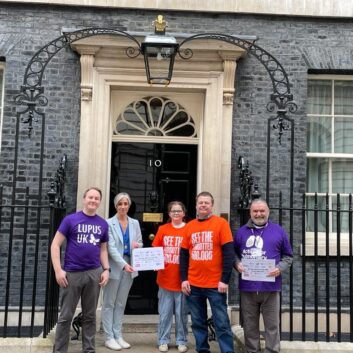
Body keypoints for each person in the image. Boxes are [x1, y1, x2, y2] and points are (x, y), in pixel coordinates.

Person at [51, 186, 110, 353]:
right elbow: (55, 245)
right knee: (65, 316)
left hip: (94, 273)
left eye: (96, 198)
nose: (93, 200)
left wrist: (106, 269)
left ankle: (89, 350)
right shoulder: (70, 220)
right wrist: (58, 270)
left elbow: (103, 249)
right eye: (90, 197)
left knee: (90, 316)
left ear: (99, 202)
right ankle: (60, 350)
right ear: (84, 199)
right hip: (72, 273)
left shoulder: (102, 224)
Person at [233, 198, 293, 353]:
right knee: (249, 324)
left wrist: (279, 268)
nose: (259, 214)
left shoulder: (279, 231)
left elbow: (288, 256)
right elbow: (232, 254)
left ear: (268, 212)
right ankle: (252, 350)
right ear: (250, 212)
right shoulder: (241, 232)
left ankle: (272, 350)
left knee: (272, 325)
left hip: (270, 287)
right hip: (248, 287)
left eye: (262, 211)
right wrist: (237, 263)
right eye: (255, 211)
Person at [180, 191, 235, 353]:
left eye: (207, 203)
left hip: (215, 285)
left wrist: (225, 280)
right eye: (200, 202)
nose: (203, 205)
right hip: (193, 285)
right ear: (196, 205)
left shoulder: (221, 224)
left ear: (212, 205)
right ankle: (202, 349)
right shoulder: (189, 226)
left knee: (222, 323)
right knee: (198, 322)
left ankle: (227, 351)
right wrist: (184, 279)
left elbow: (229, 253)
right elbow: (183, 255)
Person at [101, 192, 143, 351]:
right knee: (108, 303)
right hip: (115, 267)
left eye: (125, 204)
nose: (123, 206)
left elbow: (140, 242)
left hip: (130, 267)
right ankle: (108, 337)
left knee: (120, 303)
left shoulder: (135, 223)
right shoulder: (108, 223)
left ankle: (118, 335)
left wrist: (136, 246)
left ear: (129, 205)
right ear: (115, 206)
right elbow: (110, 248)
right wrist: (123, 264)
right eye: (120, 204)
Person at [152, 201, 189, 353]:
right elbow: (156, 248)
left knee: (181, 314)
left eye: (179, 211)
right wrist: (154, 262)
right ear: (169, 214)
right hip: (165, 278)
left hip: (183, 279)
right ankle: (163, 340)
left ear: (183, 213)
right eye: (173, 211)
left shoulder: (189, 229)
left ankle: (182, 340)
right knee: (165, 313)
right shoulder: (162, 229)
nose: (176, 213)